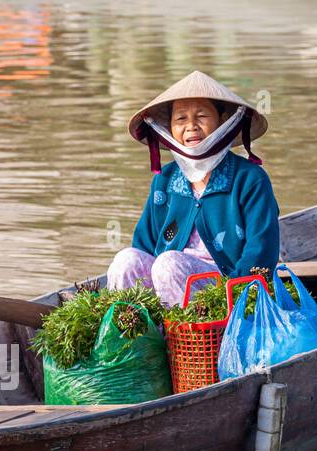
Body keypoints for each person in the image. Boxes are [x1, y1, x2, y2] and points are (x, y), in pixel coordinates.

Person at [107, 71, 280, 306]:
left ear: (223, 120)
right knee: (125, 259)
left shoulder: (249, 179)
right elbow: (144, 247)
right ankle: (138, 335)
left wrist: (240, 296)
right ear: (170, 128)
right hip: (165, 281)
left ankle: (187, 338)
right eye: (180, 119)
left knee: (169, 264)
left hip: (225, 290)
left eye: (201, 116)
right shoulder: (165, 180)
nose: (191, 127)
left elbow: (261, 250)